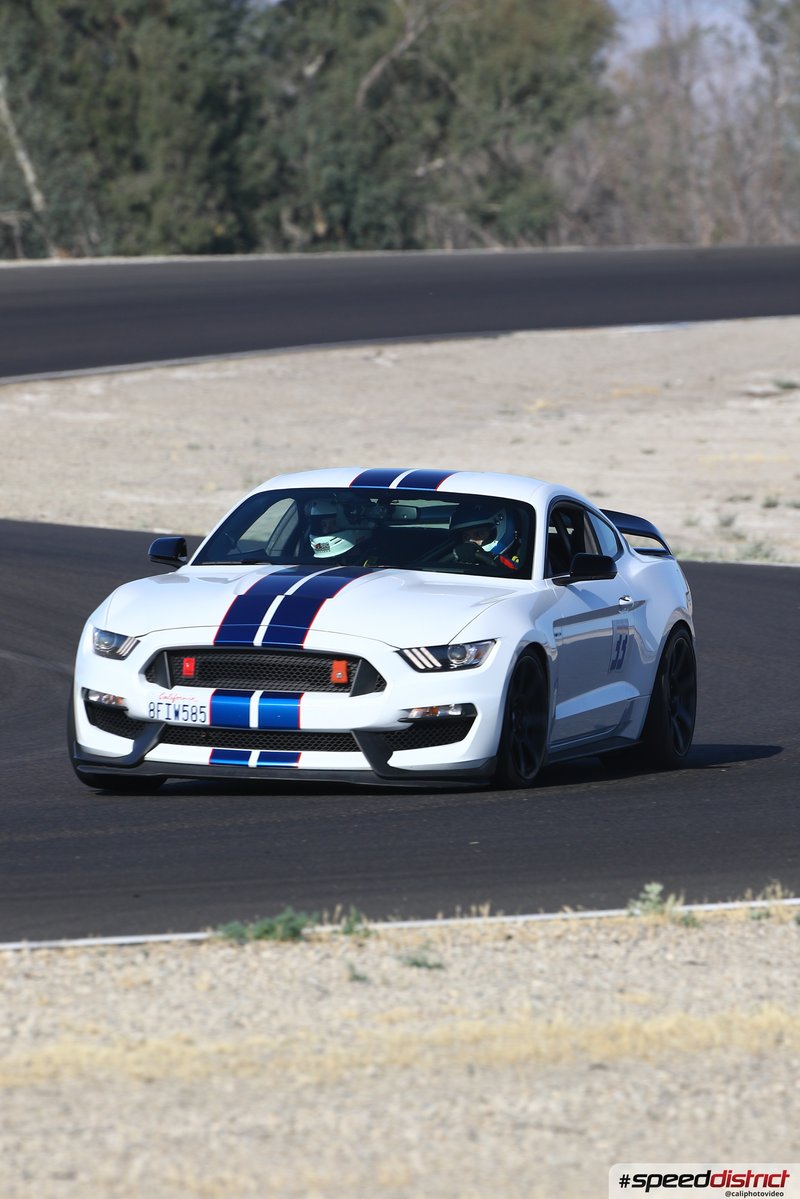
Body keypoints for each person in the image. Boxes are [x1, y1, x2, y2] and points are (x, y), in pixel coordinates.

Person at [450, 504, 520, 572]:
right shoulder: (454, 559)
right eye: (466, 537)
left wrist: (491, 558)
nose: (470, 541)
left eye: (478, 534)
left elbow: (516, 572)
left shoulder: (520, 561)